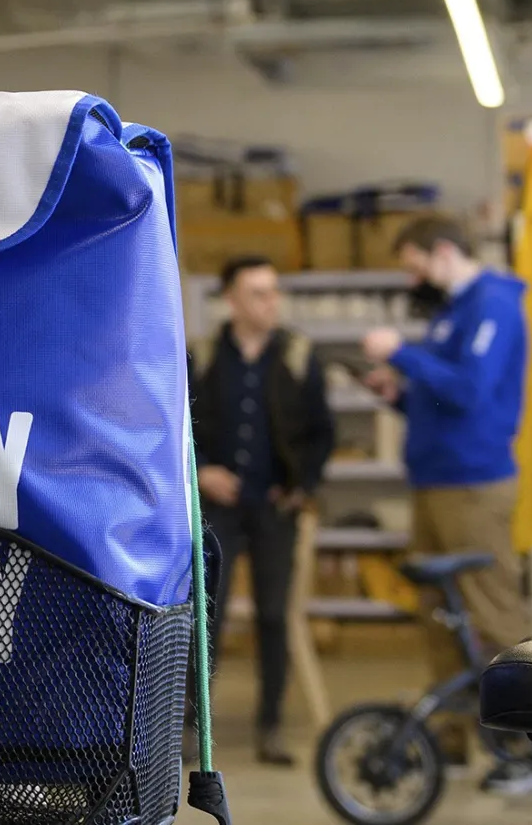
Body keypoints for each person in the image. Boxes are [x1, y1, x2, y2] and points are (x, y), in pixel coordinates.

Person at [360, 216, 532, 793]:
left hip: (473, 484)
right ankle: (459, 739)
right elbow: (443, 402)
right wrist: (401, 395)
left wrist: (401, 354)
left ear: (442, 252)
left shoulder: (493, 305)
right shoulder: (451, 313)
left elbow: (469, 392)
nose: (413, 278)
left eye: (414, 265)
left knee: (494, 613)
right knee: (440, 614)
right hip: (435, 483)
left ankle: (531, 750)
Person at [190, 255, 333, 766]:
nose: (271, 302)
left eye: (274, 291)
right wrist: (201, 470)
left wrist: (302, 488)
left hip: (276, 508)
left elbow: (321, 432)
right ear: (230, 299)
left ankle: (270, 725)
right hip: (217, 510)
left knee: (274, 616)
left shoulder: (297, 355)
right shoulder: (201, 355)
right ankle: (192, 726)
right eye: (258, 293)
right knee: (206, 614)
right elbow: (175, 425)